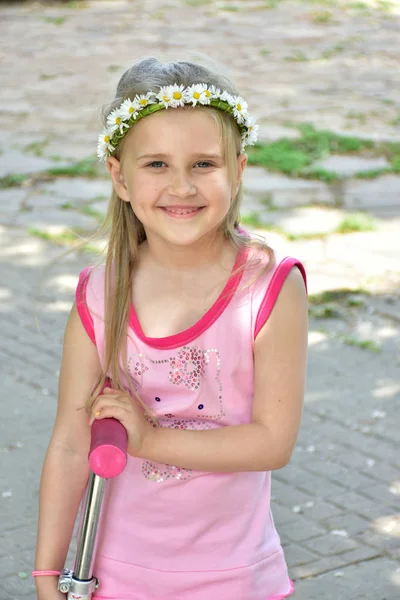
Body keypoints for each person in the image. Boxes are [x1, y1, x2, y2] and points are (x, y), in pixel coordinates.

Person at [34, 57, 308, 600]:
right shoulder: (100, 294)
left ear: (239, 168)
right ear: (120, 176)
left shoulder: (269, 288)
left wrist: (151, 439)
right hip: (113, 576)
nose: (181, 186)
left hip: (234, 580)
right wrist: (48, 575)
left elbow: (272, 442)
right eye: (156, 164)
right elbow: (70, 442)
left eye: (204, 163)